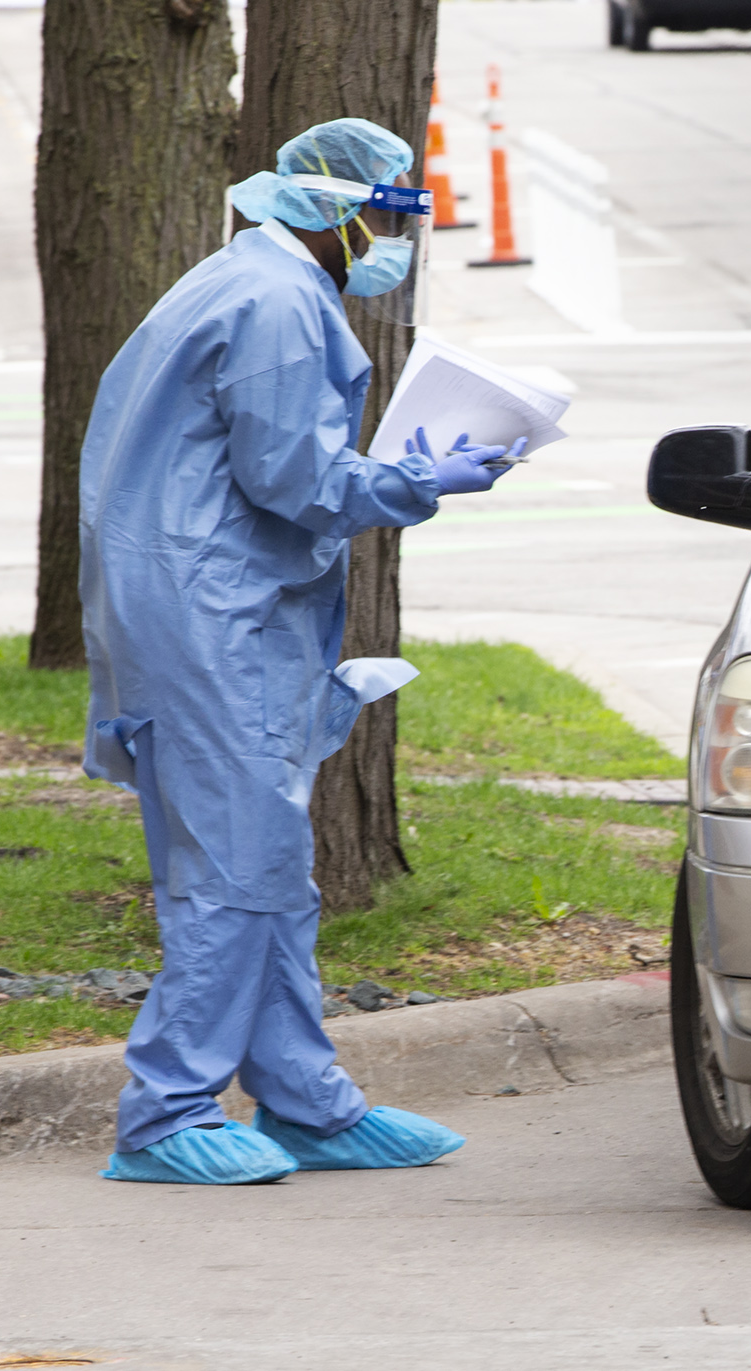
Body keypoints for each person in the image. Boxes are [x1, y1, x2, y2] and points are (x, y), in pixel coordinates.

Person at [80, 118, 521, 1186]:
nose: (397, 233)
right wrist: (421, 480)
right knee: (239, 869)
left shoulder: (239, 279)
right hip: (213, 616)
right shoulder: (278, 305)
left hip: (204, 605)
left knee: (266, 862)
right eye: (393, 210)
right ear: (341, 209)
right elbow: (298, 482)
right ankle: (168, 1110)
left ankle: (304, 1098)